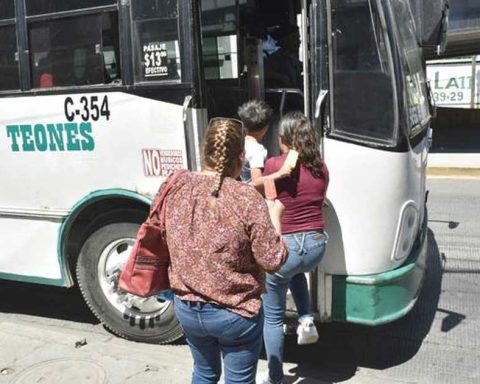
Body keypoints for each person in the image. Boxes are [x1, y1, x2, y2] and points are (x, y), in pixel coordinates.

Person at [164, 117, 288, 384]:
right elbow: (273, 259)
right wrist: (276, 216)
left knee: (204, 373)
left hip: (187, 308)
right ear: (240, 156)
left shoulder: (175, 186)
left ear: (203, 149)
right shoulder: (246, 198)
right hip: (235, 314)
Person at [260, 112, 329, 384]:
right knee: (296, 269)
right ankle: (305, 319)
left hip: (286, 246)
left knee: (273, 320)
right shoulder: (322, 168)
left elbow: (268, 200)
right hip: (315, 248)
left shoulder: (274, 163)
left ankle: (275, 377)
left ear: (285, 138)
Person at [238, 100, 292, 190]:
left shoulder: (241, 143)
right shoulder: (256, 150)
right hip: (254, 195)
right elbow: (256, 181)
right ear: (266, 127)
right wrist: (280, 174)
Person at [264, 23, 303, 90]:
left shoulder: (294, 59)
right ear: (285, 40)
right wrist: (281, 77)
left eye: (298, 38)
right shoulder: (276, 58)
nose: (298, 41)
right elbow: (265, 73)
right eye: (294, 38)